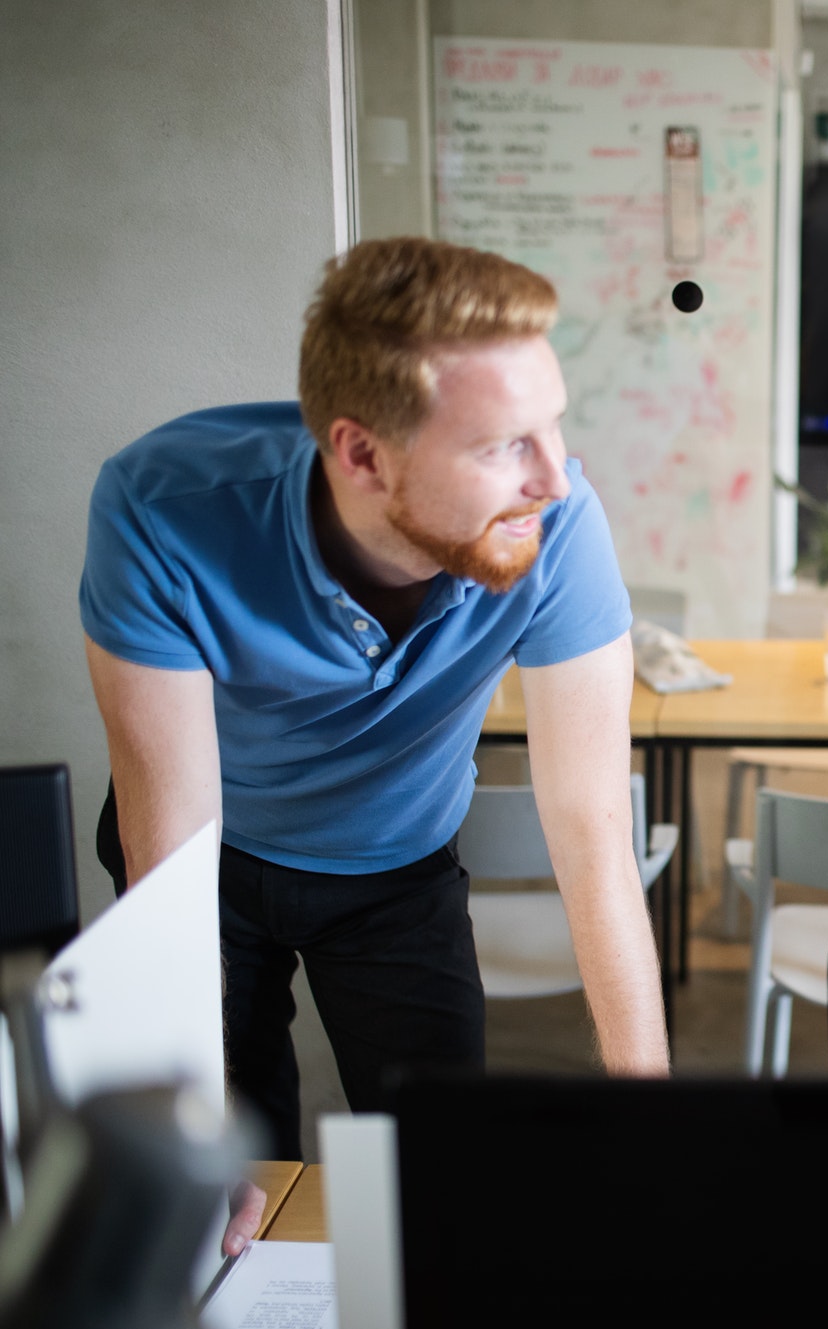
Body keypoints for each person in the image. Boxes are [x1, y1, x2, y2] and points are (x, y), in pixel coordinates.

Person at [79, 237, 669, 1246]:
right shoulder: (162, 510)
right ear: (360, 453)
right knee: (227, 1184)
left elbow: (591, 831)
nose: (554, 478)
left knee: (440, 1178)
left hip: (398, 874)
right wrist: (191, 1134)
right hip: (208, 869)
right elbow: (168, 834)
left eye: (553, 428)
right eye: (503, 444)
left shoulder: (556, 530)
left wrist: (657, 1130)